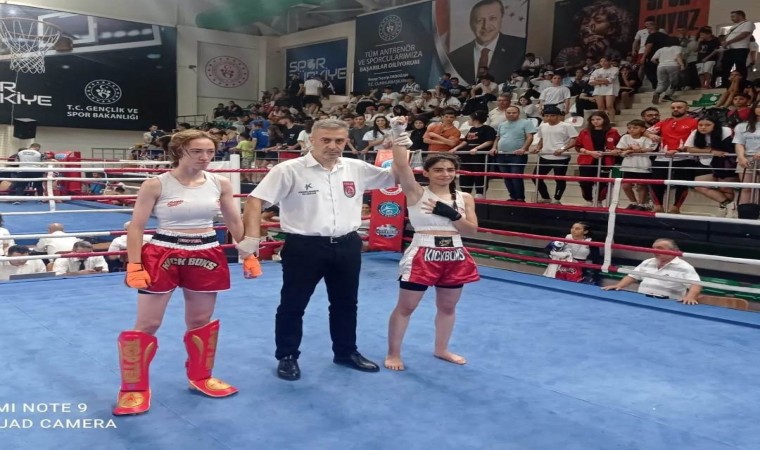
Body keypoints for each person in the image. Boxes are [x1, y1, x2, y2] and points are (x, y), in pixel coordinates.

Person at [239, 118, 398, 381]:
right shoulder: (288, 169)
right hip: (304, 246)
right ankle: (287, 355)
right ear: (311, 139)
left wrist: (400, 143)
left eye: (339, 140)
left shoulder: (356, 167)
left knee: (346, 303)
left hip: (347, 244)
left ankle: (346, 352)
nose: (333, 146)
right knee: (293, 303)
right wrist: (252, 239)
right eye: (326, 140)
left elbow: (396, 175)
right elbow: (255, 200)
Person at [113, 129, 244, 416]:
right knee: (148, 323)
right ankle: (133, 388)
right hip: (163, 252)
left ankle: (201, 376)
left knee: (200, 320)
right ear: (179, 151)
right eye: (197, 151)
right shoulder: (156, 184)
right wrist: (134, 264)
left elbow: (234, 220)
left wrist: (248, 253)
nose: (205, 157)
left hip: (206, 251)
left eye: (210, 152)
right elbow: (136, 226)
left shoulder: (219, 183)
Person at [384, 117, 479, 371]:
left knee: (448, 306)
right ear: (426, 172)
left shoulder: (465, 197)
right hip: (423, 252)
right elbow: (401, 165)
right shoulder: (417, 192)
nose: (445, 174)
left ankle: (441, 348)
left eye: (450, 170)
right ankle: (393, 353)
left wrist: (452, 214)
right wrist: (398, 131)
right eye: (438, 170)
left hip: (455, 253)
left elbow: (471, 230)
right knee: (406, 306)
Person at [602, 238, 702, 305]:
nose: (655, 251)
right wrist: (619, 285)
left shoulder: (684, 267)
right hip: (642, 300)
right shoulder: (648, 262)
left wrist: (690, 297)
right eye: (653, 248)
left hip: (667, 303)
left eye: (660, 248)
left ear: (674, 251)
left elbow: (695, 284)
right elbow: (632, 276)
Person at [447, 0, 524, 85]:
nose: (486, 26)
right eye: (479, 20)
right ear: (471, 23)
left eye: (492, 18)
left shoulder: (521, 47)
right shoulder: (455, 57)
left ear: (502, 19)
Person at [686, 115, 737, 216]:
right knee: (699, 186)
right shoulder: (695, 132)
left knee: (725, 188)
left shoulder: (726, 130)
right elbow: (689, 148)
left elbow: (732, 147)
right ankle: (729, 205)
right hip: (705, 163)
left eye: (707, 125)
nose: (703, 127)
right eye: (700, 125)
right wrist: (710, 151)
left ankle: (726, 211)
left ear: (715, 125)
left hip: (725, 163)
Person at [530, 105, 578, 203]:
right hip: (545, 156)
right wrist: (538, 148)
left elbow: (574, 139)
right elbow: (542, 139)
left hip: (561, 157)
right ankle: (546, 198)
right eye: (546, 115)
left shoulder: (566, 126)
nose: (549, 118)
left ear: (559, 116)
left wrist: (563, 149)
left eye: (552, 115)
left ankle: (557, 199)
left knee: (559, 179)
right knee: (536, 177)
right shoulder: (543, 126)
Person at [490, 105, 536, 202]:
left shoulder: (526, 122)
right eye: (509, 112)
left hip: (517, 155)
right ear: (505, 113)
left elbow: (529, 137)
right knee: (506, 178)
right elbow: (498, 138)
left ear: (518, 113)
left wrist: (523, 149)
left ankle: (520, 198)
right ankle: (513, 197)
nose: (511, 114)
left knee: (516, 177)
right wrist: (494, 148)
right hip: (501, 155)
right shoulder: (502, 124)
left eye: (514, 112)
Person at [574, 111, 620, 206]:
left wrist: (614, 150)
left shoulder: (613, 131)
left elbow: (619, 145)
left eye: (598, 119)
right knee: (584, 182)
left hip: (606, 161)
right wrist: (590, 152)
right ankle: (588, 200)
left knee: (603, 182)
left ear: (604, 120)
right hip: (587, 161)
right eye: (593, 120)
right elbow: (578, 146)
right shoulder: (584, 131)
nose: (595, 121)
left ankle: (599, 200)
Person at [452, 110, 496, 198]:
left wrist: (477, 148)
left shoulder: (488, 129)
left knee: (479, 176)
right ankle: (465, 193)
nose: (468, 121)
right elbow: (465, 141)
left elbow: (489, 141)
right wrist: (456, 148)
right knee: (465, 175)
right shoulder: (472, 129)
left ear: (475, 120)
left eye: (470, 119)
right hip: (467, 157)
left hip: (479, 158)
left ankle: (480, 194)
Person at [616, 119, 654, 210]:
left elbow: (650, 149)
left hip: (643, 165)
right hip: (628, 165)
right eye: (629, 128)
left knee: (642, 185)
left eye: (635, 128)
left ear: (642, 129)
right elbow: (620, 148)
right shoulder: (625, 137)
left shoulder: (647, 138)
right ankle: (633, 202)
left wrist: (636, 150)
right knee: (626, 185)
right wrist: (629, 148)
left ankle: (642, 204)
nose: (631, 130)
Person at [733, 100, 760, 219]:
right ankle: (744, 216)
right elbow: (739, 143)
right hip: (747, 159)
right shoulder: (742, 126)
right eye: (758, 106)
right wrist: (741, 157)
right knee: (746, 188)